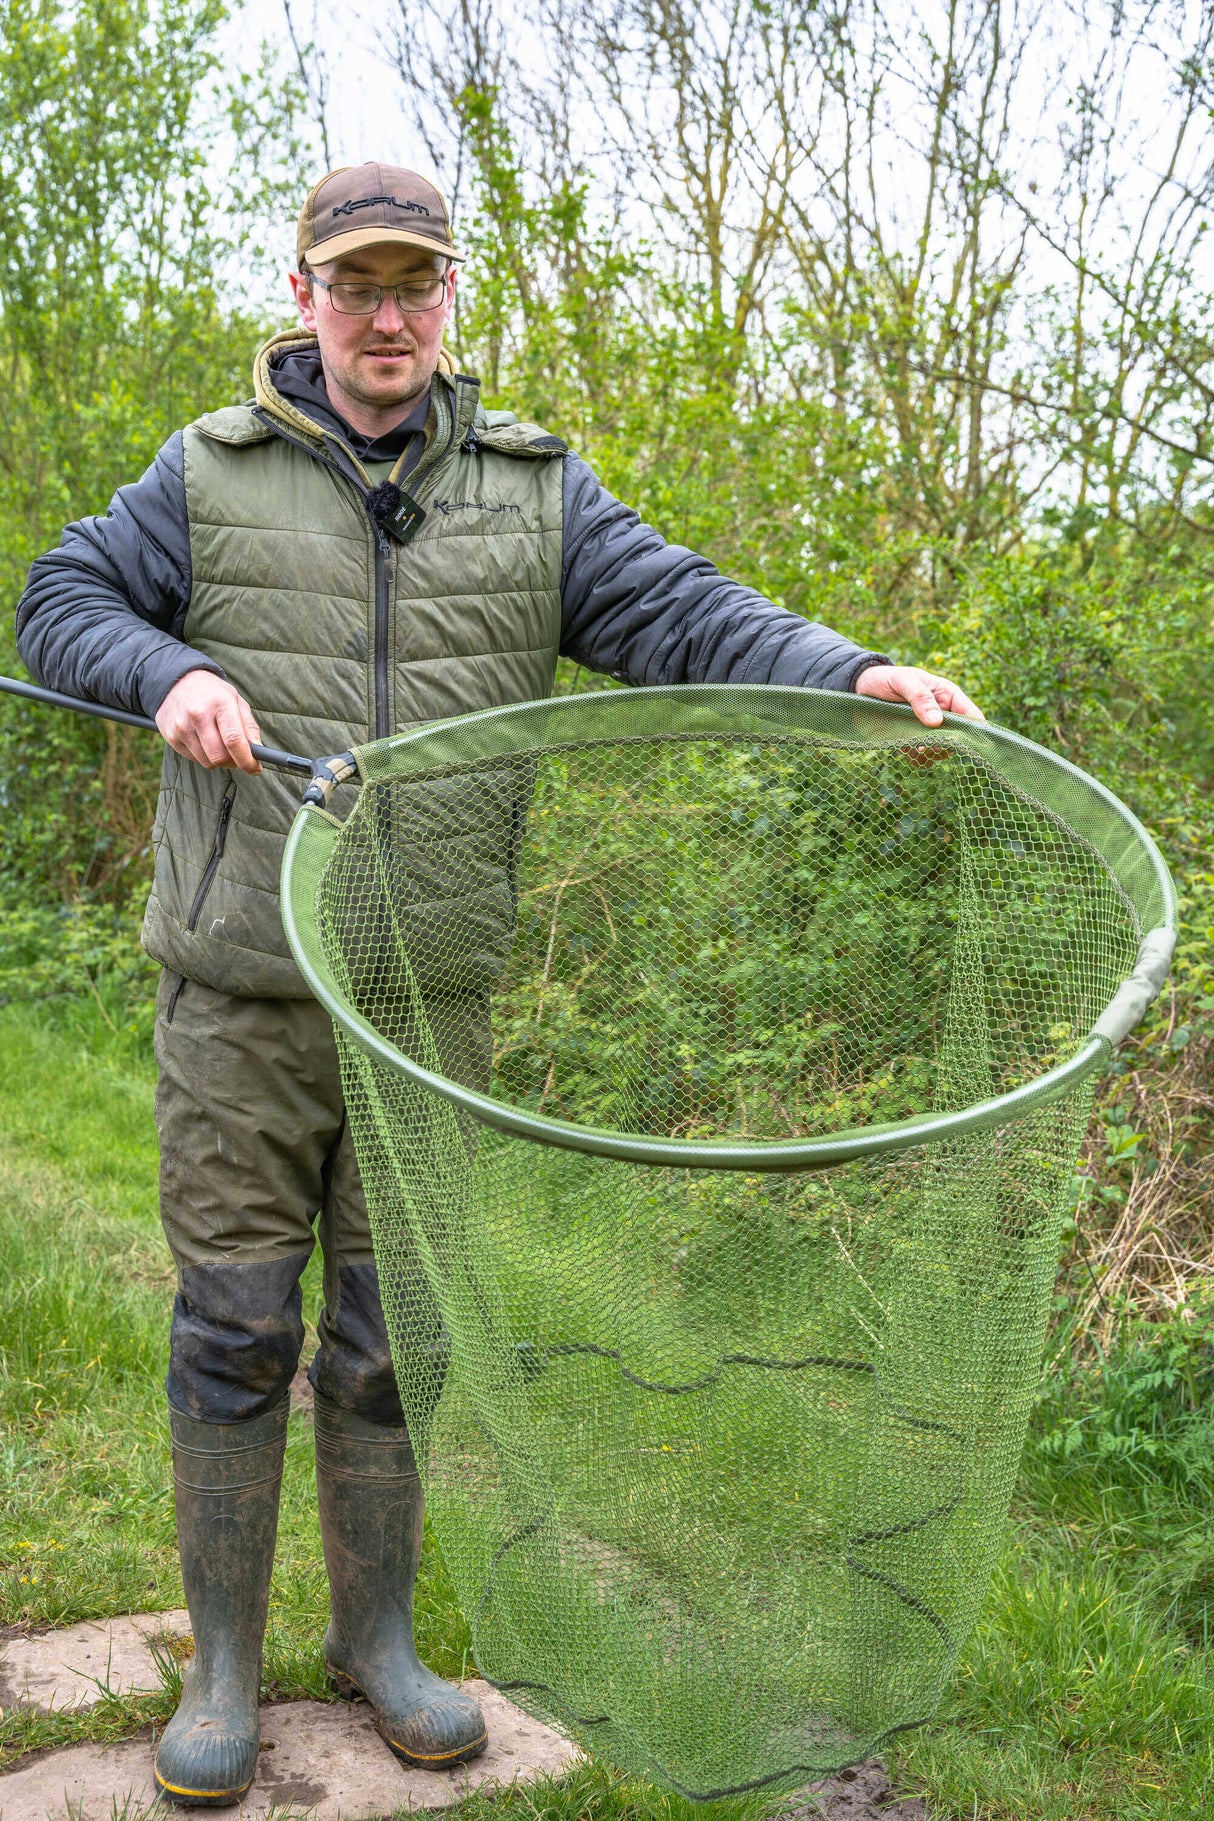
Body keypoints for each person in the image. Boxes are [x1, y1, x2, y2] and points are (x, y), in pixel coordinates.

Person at [15, 162, 983, 1808]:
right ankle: (227, 1667)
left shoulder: (536, 494)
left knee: (397, 1340)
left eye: (416, 283)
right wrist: (168, 668)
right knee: (239, 1323)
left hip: (425, 1007)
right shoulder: (205, 472)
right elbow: (57, 601)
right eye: (355, 284)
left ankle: (378, 1643)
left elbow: (677, 610)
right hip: (243, 992)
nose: (386, 316)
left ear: (450, 295)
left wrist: (841, 671)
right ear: (303, 294)